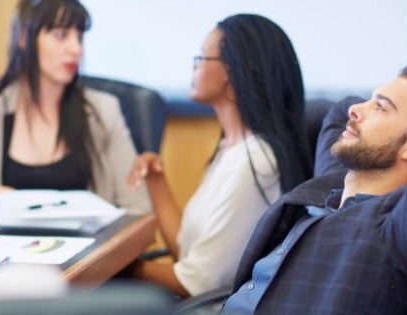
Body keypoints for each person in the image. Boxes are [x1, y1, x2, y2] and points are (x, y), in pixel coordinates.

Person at [221, 64, 407, 314]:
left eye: (381, 106)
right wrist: (382, 102)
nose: (355, 110)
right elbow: (337, 110)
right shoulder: (333, 184)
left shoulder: (404, 230)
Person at [126, 14, 312, 297]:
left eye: (201, 57)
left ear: (232, 70)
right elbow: (188, 256)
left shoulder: (256, 164)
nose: (194, 66)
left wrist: (118, 267)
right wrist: (155, 181)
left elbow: (195, 284)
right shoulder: (232, 148)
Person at [0, 0, 150, 214]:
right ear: (24, 37)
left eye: (79, 37)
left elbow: (138, 209)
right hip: (0, 251)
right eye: (61, 35)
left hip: (89, 251)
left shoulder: (103, 111)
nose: (76, 49)